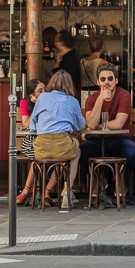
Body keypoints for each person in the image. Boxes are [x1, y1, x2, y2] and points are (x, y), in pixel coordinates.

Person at [28, 70, 84, 210]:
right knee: (76, 150)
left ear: (51, 82)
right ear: (70, 85)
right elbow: (80, 125)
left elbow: (32, 124)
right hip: (62, 145)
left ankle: (38, 193)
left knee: (66, 150)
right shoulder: (73, 101)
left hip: (41, 148)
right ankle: (67, 192)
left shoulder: (42, 98)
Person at [80, 62, 135, 197]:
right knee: (80, 150)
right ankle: (97, 180)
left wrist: (98, 125)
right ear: (98, 82)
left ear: (116, 80)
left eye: (110, 79)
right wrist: (101, 98)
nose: (107, 82)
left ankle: (120, 180)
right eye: (103, 79)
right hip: (98, 140)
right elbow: (91, 123)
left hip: (121, 139)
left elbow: (118, 124)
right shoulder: (91, 99)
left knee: (131, 151)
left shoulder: (124, 95)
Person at [15, 79, 44, 205]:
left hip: (45, 138)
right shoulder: (24, 103)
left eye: (44, 89)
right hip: (31, 141)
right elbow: (27, 124)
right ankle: (28, 191)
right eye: (40, 91)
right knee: (38, 157)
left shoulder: (48, 102)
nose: (43, 93)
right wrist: (37, 106)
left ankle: (29, 192)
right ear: (31, 94)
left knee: (50, 155)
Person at [53, 30, 81, 97]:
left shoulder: (71, 59)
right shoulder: (65, 57)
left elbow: (58, 78)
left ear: (62, 43)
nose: (54, 43)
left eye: (56, 41)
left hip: (68, 94)